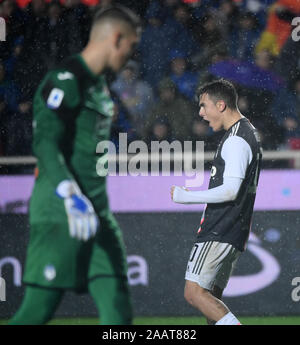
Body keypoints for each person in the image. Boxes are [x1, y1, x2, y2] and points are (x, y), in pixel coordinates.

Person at [9, 5, 140, 325]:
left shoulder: (98, 86)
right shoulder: (64, 80)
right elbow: (45, 144)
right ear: (117, 38)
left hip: (96, 214)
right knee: (36, 312)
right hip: (61, 209)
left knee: (118, 309)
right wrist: (69, 193)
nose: (131, 56)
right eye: (132, 47)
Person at [170, 79, 262, 325]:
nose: (201, 113)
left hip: (220, 228)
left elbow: (231, 191)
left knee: (195, 294)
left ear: (220, 105)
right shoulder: (246, 131)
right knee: (211, 301)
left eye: (203, 106)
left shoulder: (236, 139)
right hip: (233, 228)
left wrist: (185, 196)